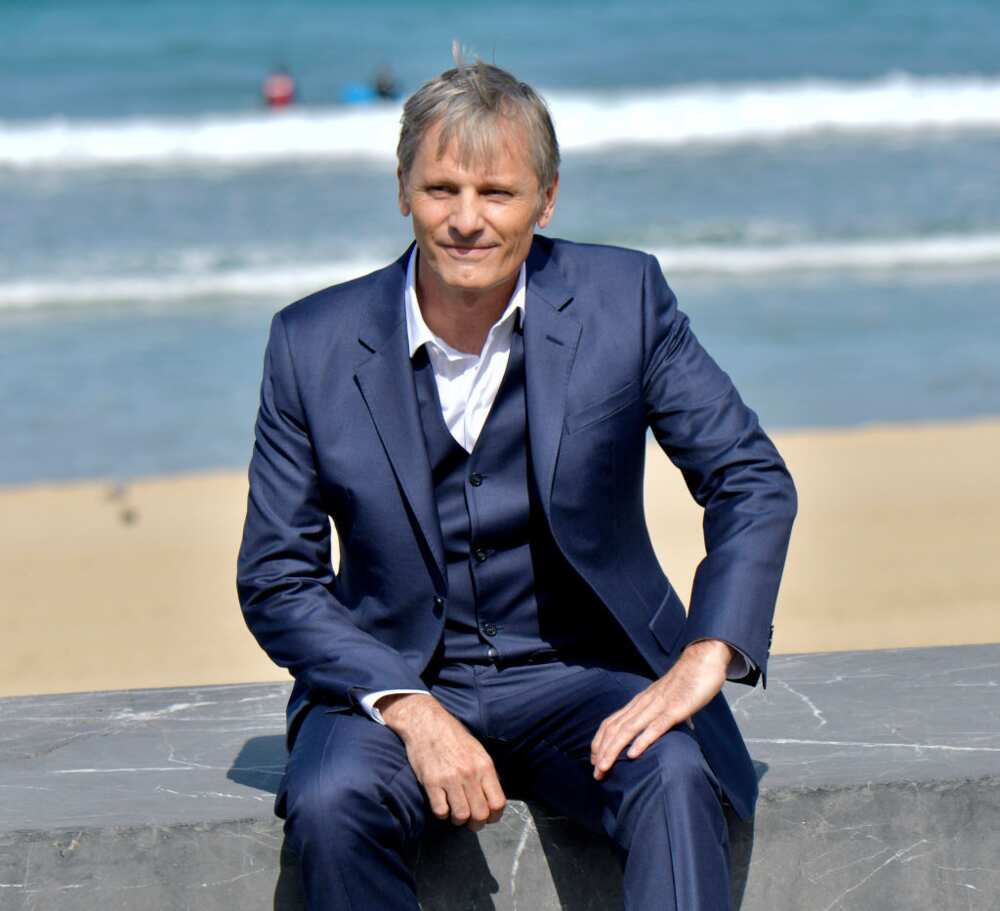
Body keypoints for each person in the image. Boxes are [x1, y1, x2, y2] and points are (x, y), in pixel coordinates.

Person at [237, 55, 796, 911]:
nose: (467, 220)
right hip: (394, 676)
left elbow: (747, 476)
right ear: (402, 191)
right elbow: (277, 573)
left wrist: (706, 653)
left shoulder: (624, 298)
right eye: (441, 189)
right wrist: (410, 709)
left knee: (675, 774)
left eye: (496, 192)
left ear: (547, 197)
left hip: (587, 670)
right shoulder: (310, 343)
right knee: (329, 800)